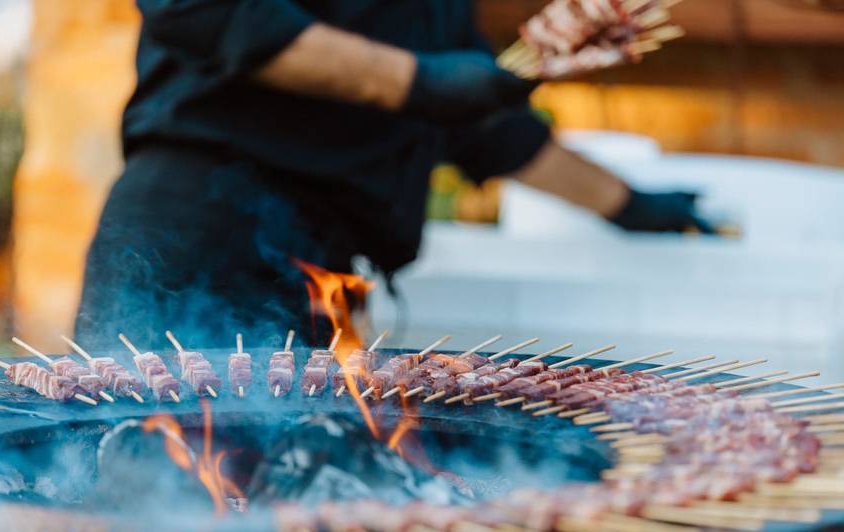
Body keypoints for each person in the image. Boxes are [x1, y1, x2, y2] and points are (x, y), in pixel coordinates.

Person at [77, 0, 711, 348]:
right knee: (148, 485)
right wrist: (416, 81)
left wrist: (627, 204)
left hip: (322, 270)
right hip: (197, 239)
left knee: (299, 510)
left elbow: (484, 131)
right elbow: (202, 11)